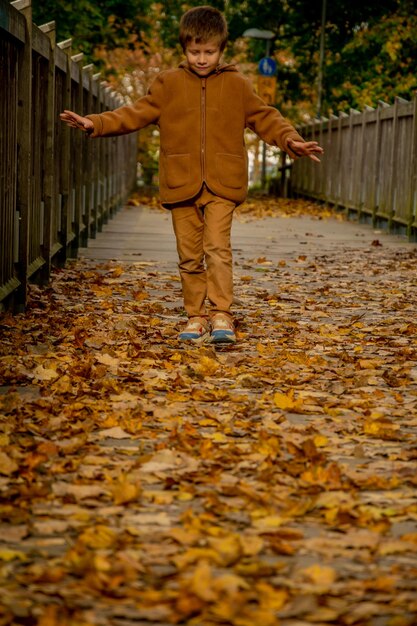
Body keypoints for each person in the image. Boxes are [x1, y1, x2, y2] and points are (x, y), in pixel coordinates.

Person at [60, 5, 323, 346]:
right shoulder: (168, 83)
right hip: (180, 180)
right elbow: (134, 113)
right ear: (184, 49)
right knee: (189, 255)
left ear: (221, 50)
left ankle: (222, 313)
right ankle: (195, 316)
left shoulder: (237, 84)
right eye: (195, 52)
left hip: (223, 182)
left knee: (217, 247)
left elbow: (265, 117)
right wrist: (96, 122)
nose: (202, 58)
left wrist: (291, 139)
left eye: (209, 52)